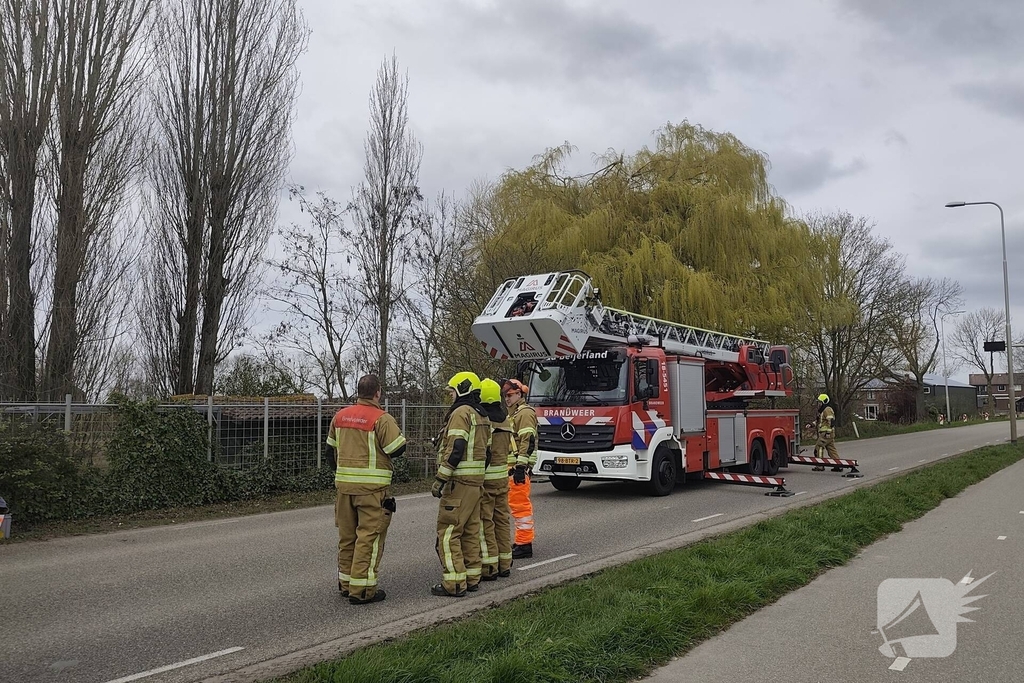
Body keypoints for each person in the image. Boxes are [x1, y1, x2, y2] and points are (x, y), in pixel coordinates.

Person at [326, 374, 406, 604]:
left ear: (358, 392)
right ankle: (362, 591)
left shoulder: (340, 416)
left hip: (344, 488)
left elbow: (329, 451)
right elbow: (396, 449)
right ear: (378, 392)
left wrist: (341, 473)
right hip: (372, 490)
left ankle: (346, 583)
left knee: (347, 536)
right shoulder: (381, 418)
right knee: (368, 538)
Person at [431, 371, 492, 597]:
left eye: (452, 391)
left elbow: (456, 447)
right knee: (470, 531)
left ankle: (454, 583)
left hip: (459, 482)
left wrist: (441, 478)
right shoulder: (482, 415)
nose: (451, 396)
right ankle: (472, 577)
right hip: (476, 483)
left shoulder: (461, 413)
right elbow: (488, 453)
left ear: (462, 389)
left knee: (447, 533)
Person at [479, 378, 516, 580]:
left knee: (486, 522)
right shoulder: (505, 419)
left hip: (486, 480)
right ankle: (505, 563)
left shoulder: (485, 421)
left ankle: (489, 566)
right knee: (502, 520)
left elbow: (484, 452)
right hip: (502, 478)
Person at [504, 378, 537, 559]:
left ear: (520, 393)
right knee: (517, 506)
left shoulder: (523, 413)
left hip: (518, 468)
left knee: (520, 507)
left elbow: (528, 441)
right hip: (515, 466)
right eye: (505, 396)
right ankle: (522, 542)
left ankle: (524, 545)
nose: (507, 399)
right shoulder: (515, 414)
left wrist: (520, 467)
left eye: (510, 395)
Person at [812, 393, 839, 471]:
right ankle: (838, 465)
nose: (818, 404)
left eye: (820, 402)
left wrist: (828, 432)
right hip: (827, 434)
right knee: (831, 450)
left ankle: (820, 466)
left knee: (819, 447)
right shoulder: (823, 411)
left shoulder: (827, 409)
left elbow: (831, 421)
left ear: (824, 402)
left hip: (826, 434)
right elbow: (819, 421)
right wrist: (811, 425)